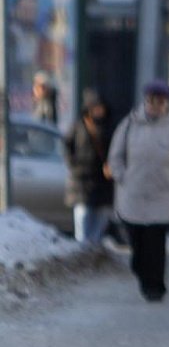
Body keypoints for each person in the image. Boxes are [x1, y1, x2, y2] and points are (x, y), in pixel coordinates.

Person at [107, 81, 169, 302]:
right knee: (138, 243)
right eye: (151, 101)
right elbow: (115, 157)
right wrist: (123, 176)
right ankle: (141, 271)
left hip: (164, 195)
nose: (155, 106)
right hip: (134, 195)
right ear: (145, 101)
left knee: (156, 243)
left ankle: (155, 286)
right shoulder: (129, 125)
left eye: (160, 102)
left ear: (167, 104)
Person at [63, 90, 114, 245]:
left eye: (101, 107)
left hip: (104, 182)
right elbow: (67, 146)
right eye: (95, 107)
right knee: (83, 221)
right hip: (81, 183)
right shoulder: (78, 126)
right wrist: (74, 165)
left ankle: (93, 253)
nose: (99, 111)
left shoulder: (110, 126)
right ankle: (83, 256)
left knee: (101, 221)